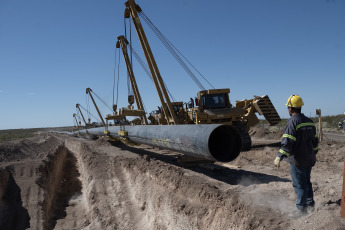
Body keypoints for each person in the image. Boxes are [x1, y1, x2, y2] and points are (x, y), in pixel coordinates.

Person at [274, 95, 319, 217]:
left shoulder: (293, 121)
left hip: (297, 159)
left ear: (290, 108)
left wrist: (279, 156)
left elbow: (287, 142)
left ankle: (301, 210)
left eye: (288, 107)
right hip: (309, 158)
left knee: (299, 185)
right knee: (307, 181)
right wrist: (313, 152)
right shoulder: (309, 121)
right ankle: (310, 205)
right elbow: (315, 141)